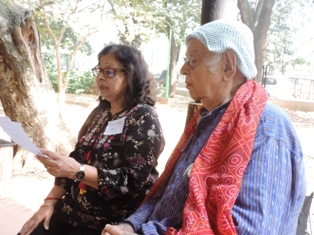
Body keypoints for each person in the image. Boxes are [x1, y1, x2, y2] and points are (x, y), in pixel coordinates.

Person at [101, 19, 306, 235]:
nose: (182, 69)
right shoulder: (208, 119)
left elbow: (246, 230)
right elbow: (167, 195)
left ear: (228, 65)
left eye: (192, 60)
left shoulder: (265, 128)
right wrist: (130, 226)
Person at [18, 44, 165, 235]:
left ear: (131, 75)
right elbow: (78, 156)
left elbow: (131, 181)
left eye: (110, 71)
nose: (101, 77)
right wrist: (49, 203)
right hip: (72, 210)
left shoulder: (144, 117)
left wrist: (77, 171)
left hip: (110, 222)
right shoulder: (100, 113)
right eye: (99, 70)